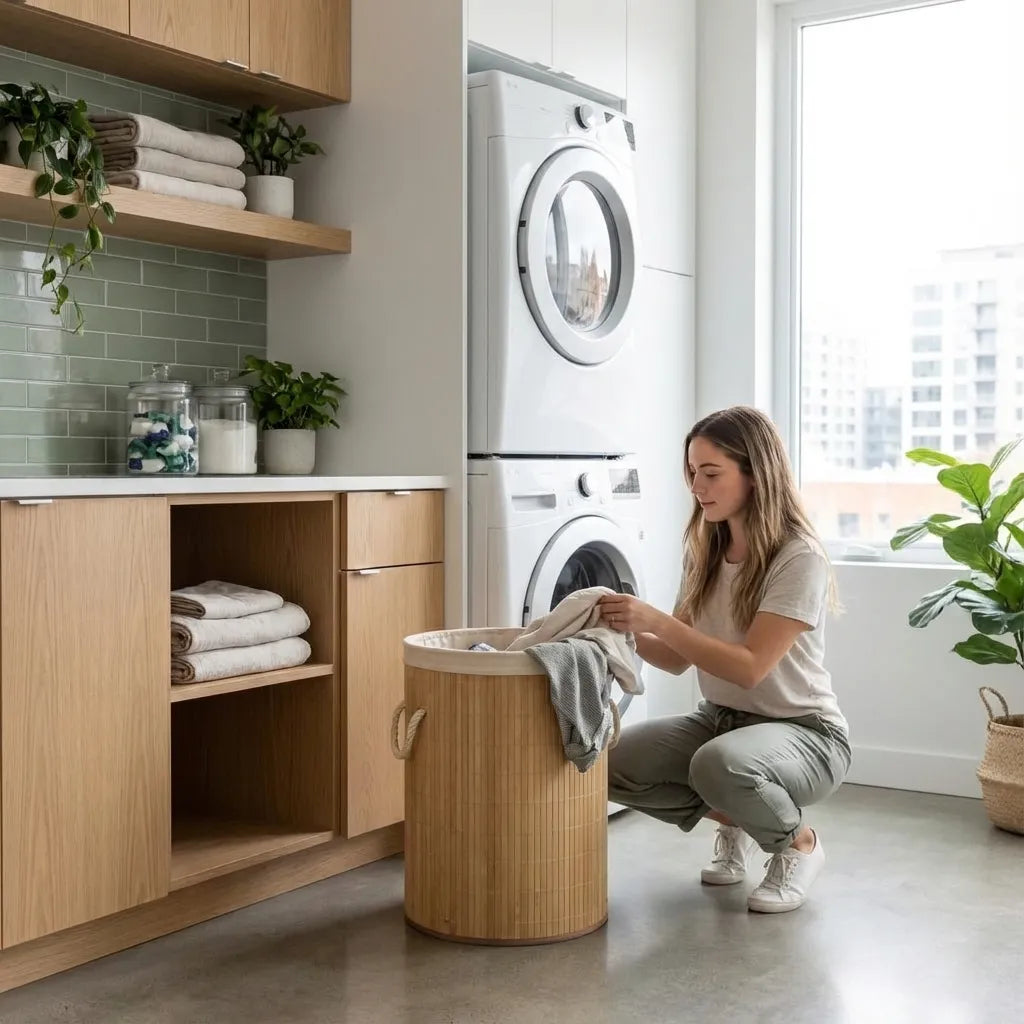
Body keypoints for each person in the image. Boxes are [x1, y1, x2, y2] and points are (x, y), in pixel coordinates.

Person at [598, 406, 850, 914]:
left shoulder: (797, 556)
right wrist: (612, 636)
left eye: (711, 473)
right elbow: (672, 658)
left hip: (806, 732)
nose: (697, 485)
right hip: (720, 721)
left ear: (756, 474)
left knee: (717, 764)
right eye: (692, 472)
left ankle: (798, 844)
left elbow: (749, 666)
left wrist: (655, 618)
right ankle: (736, 821)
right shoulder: (705, 548)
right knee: (608, 761)